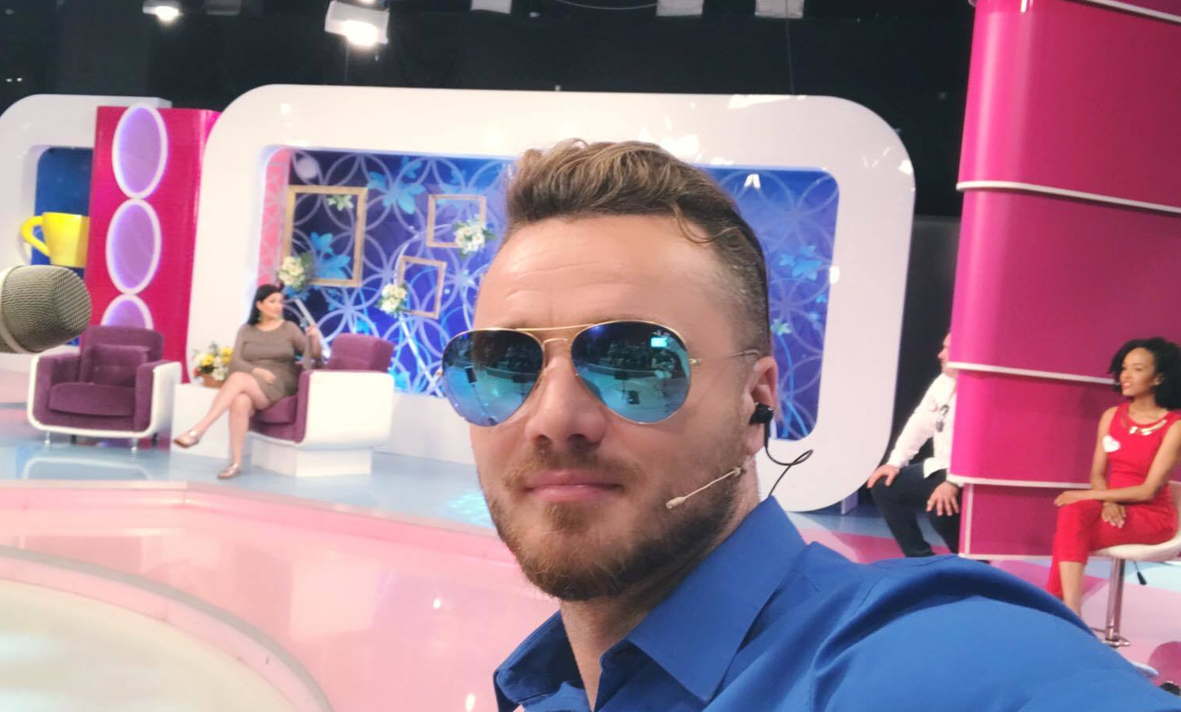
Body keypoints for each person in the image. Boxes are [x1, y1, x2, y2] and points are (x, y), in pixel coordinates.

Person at [437, 140, 1181, 711]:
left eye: (636, 362)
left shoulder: (922, 659)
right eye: (503, 364)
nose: (554, 419)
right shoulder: (550, 689)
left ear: (757, 400)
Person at [1047, 337, 1181, 614]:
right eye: (1124, 368)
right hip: (1111, 505)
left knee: (1071, 531)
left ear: (1158, 378)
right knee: (1072, 516)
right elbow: (1097, 473)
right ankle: (1070, 610)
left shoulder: (1174, 426)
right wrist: (1107, 501)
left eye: (1137, 369)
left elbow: (1148, 490)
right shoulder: (1111, 416)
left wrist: (1091, 496)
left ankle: (1060, 608)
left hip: (1151, 515)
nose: (1126, 376)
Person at [173, 284, 321, 479]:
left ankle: (199, 429)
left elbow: (314, 356)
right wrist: (257, 371)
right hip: (253, 380)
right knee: (240, 401)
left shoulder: (289, 328)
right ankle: (235, 463)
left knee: (238, 379)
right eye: (272, 301)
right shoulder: (246, 330)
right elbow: (236, 361)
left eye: (280, 302)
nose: (278, 306)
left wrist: (314, 339)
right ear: (259, 305)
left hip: (279, 381)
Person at [866, 334, 961, 557]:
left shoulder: (983, 391)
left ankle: (975, 567)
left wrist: (953, 483)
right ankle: (920, 558)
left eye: (948, 349)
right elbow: (920, 423)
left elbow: (981, 447)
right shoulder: (942, 382)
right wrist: (895, 462)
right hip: (941, 467)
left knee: (941, 512)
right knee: (884, 486)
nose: (940, 355)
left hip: (968, 475)